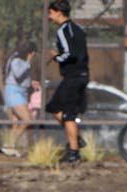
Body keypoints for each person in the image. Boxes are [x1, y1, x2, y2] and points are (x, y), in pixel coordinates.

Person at [45, 0, 89, 164]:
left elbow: (69, 54)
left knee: (68, 114)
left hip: (74, 77)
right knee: (54, 108)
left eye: (50, 13)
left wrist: (56, 57)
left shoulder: (63, 30)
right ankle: (76, 139)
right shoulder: (78, 29)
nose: (49, 17)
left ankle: (74, 153)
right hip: (80, 75)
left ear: (58, 12)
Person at [2, 41, 41, 156]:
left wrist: (31, 83)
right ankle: (9, 144)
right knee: (27, 119)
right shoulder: (16, 60)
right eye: (32, 53)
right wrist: (28, 61)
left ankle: (11, 148)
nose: (33, 55)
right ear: (29, 52)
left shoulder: (21, 61)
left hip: (22, 92)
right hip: (14, 92)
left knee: (16, 122)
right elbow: (18, 73)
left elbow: (21, 78)